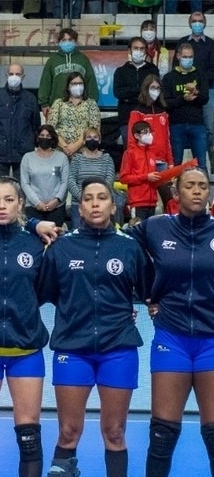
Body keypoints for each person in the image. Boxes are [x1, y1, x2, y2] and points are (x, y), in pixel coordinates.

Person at [126, 167, 214, 477]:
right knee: (162, 433)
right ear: (177, 193)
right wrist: (148, 293)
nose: (197, 191)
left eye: (203, 186)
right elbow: (119, 248)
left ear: (209, 194)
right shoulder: (155, 227)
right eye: (190, 186)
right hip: (172, 336)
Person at [39, 177, 151, 477]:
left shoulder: (130, 248)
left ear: (113, 206)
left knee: (114, 431)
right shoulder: (61, 248)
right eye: (88, 198)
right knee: (68, 430)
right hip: (72, 350)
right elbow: (41, 293)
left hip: (119, 349)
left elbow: (151, 291)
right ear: (80, 207)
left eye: (102, 197)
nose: (95, 203)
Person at [0, 176, 48, 477]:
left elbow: (43, 292)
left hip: (26, 348)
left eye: (8, 200)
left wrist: (33, 227)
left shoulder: (36, 244)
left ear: (20, 204)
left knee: (29, 436)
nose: (1, 206)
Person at [171, 12, 214, 154]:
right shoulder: (182, 42)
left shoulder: (211, 44)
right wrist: (187, 86)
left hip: (206, 91)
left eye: (200, 21)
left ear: (205, 23)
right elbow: (175, 67)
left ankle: (208, 159)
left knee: (208, 127)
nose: (197, 23)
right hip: (183, 90)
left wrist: (198, 85)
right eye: (194, 21)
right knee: (182, 125)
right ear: (189, 23)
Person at [162, 42, 209, 167]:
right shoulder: (169, 78)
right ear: (178, 56)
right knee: (175, 163)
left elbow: (205, 99)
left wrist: (196, 93)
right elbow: (165, 103)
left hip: (197, 124)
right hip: (176, 124)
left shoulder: (200, 75)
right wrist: (183, 99)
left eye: (190, 57)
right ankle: (175, 187)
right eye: (185, 57)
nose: (188, 60)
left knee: (201, 164)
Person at [38, 27, 99, 119]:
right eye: (64, 40)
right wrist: (44, 103)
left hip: (81, 106)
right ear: (59, 42)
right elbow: (45, 82)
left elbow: (91, 81)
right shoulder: (52, 61)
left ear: (75, 41)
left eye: (70, 40)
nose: (67, 42)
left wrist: (92, 102)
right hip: (56, 107)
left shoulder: (83, 59)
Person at [113, 37, 160, 145]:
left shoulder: (152, 69)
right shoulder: (120, 71)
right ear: (129, 50)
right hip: (127, 119)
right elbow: (118, 93)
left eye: (142, 49)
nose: (139, 51)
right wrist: (142, 91)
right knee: (130, 151)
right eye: (136, 48)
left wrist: (129, 96)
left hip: (148, 116)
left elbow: (154, 93)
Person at [20, 125, 69, 227]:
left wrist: (56, 200)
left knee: (55, 239)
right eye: (42, 135)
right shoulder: (27, 158)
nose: (45, 138)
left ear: (52, 138)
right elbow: (25, 183)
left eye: (48, 135)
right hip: (34, 207)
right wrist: (37, 203)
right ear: (37, 138)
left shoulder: (62, 157)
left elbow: (65, 182)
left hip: (57, 207)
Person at [67, 127, 116, 228]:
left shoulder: (107, 159)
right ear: (84, 141)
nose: (92, 140)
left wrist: (96, 198)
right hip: (79, 204)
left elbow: (109, 181)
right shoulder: (77, 159)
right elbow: (71, 181)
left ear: (100, 140)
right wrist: (84, 197)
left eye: (95, 137)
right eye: (89, 137)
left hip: (101, 205)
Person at [47, 71, 101, 158]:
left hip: (83, 152)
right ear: (68, 87)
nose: (78, 86)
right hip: (60, 151)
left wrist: (75, 146)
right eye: (74, 83)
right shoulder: (58, 103)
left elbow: (95, 128)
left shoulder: (91, 104)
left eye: (80, 83)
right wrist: (65, 147)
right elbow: (50, 128)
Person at [0, 63, 39, 181]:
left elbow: (35, 125)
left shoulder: (30, 99)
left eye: (17, 74)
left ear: (23, 76)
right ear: (6, 75)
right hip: (1, 152)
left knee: (22, 189)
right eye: (11, 74)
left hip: (23, 153)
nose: (14, 77)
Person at [119, 121, 162, 221]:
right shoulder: (130, 153)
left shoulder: (152, 153)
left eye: (150, 132)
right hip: (138, 202)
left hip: (152, 202)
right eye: (145, 132)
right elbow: (123, 178)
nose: (149, 135)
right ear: (136, 136)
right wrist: (146, 177)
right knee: (138, 232)